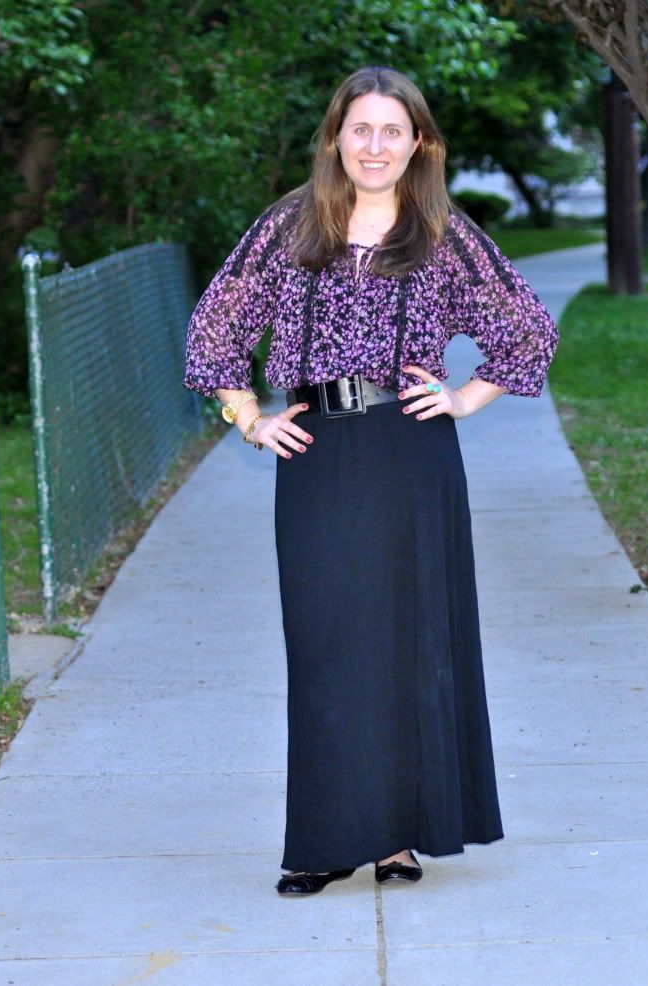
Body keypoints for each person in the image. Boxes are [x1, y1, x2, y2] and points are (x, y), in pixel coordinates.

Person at [182, 65, 559, 896]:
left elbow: (528, 332)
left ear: (418, 141)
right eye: (361, 130)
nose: (376, 146)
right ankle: (323, 842)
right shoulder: (288, 226)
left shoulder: (442, 231)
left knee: (411, 641)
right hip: (314, 455)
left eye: (393, 130)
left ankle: (398, 839)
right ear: (335, 138)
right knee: (326, 647)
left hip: (410, 451)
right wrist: (247, 418)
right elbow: (214, 329)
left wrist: (462, 398)